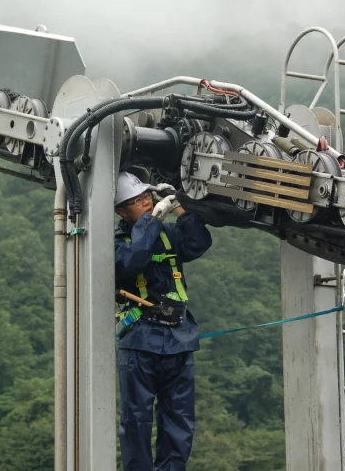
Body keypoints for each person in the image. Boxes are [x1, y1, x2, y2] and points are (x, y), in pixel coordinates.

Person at [114, 171, 213, 471]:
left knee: (179, 421)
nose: (145, 202)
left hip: (178, 339)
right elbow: (133, 260)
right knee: (137, 421)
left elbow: (198, 243)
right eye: (137, 201)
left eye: (147, 196)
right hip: (141, 340)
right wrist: (152, 220)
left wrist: (179, 207)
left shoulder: (167, 235)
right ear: (121, 211)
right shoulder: (116, 242)